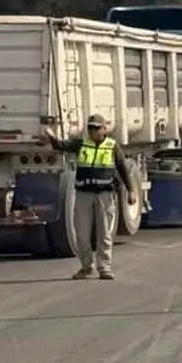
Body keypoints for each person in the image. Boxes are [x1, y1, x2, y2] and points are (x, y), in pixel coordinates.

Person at [37, 114, 135, 280]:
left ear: (104, 129)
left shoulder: (112, 146)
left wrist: (131, 190)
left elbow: (122, 168)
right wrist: (52, 137)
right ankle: (86, 266)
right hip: (84, 194)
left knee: (104, 233)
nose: (93, 130)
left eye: (96, 127)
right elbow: (61, 146)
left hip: (105, 195)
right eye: (90, 127)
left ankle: (104, 268)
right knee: (81, 234)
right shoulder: (81, 144)